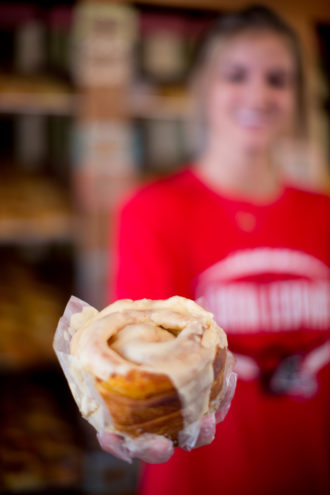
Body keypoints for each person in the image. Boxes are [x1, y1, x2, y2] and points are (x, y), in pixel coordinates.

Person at [100, 5, 330, 495]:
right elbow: (134, 364)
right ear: (203, 88)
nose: (258, 94)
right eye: (236, 75)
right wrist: (120, 414)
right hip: (201, 480)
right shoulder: (151, 211)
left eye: (278, 79)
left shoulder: (323, 213)